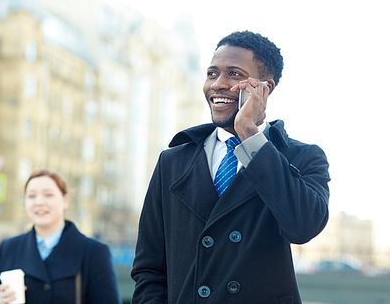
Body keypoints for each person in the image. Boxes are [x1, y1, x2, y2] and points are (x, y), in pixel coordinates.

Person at [131, 31, 330, 303]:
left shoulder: (302, 156)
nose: (218, 84)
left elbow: (303, 227)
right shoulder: (173, 161)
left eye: (234, 74)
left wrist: (249, 133)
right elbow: (148, 268)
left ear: (265, 89)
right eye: (212, 73)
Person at [0, 169, 121, 304]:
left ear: (65, 201)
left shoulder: (94, 252)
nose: (39, 202)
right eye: (31, 196)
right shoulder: (9, 248)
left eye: (48, 195)